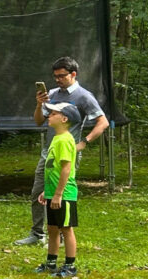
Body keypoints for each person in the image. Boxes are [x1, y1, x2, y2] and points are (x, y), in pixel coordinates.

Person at [14, 56, 108, 246]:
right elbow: (40, 121)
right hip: (48, 153)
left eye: (62, 76)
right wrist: (39, 104)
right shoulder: (53, 93)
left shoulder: (84, 96)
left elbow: (103, 122)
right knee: (38, 192)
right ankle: (37, 234)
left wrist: (84, 142)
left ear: (73, 74)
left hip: (67, 153)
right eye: (55, 76)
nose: (57, 80)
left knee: (62, 193)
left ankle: (64, 235)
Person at [35, 102, 82, 278]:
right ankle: (51, 263)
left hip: (64, 194)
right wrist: (46, 192)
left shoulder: (65, 140)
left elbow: (66, 169)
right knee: (52, 228)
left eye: (53, 113)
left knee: (66, 228)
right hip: (53, 193)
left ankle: (70, 266)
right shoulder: (56, 138)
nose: (49, 116)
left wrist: (58, 194)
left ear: (64, 119)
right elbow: (52, 167)